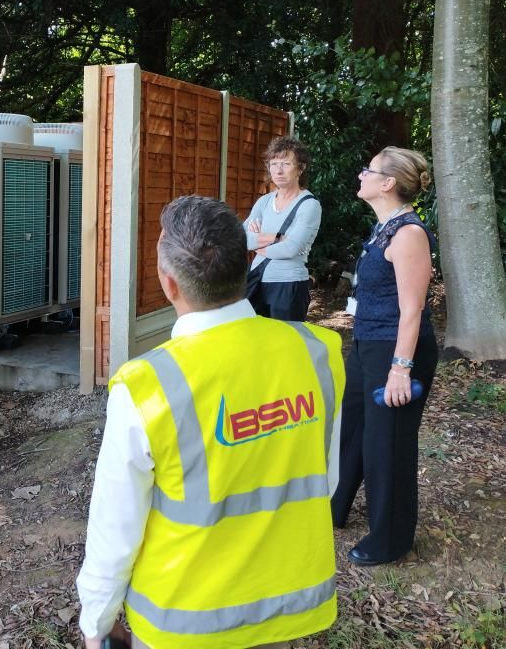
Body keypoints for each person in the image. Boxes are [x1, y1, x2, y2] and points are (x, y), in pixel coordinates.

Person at [76, 196, 345, 649]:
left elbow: (115, 528)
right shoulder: (319, 350)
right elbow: (326, 477)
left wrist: (96, 621)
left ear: (169, 284)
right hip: (286, 606)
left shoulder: (145, 386)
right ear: (247, 263)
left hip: (182, 620)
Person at [331, 147, 438, 567]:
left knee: (386, 443)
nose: (362, 175)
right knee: (353, 428)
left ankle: (391, 538)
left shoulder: (408, 233)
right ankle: (334, 507)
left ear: (388, 183)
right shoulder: (383, 228)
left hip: (397, 351)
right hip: (366, 344)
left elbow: (413, 309)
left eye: (368, 170)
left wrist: (400, 369)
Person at [243, 136, 322, 321]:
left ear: (300, 169)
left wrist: (258, 243)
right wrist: (278, 237)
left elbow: (290, 249)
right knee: (256, 342)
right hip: (257, 282)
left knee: (287, 342)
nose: (278, 170)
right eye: (274, 163)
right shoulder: (264, 202)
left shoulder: (309, 205)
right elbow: (242, 238)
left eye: (286, 164)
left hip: (289, 285)